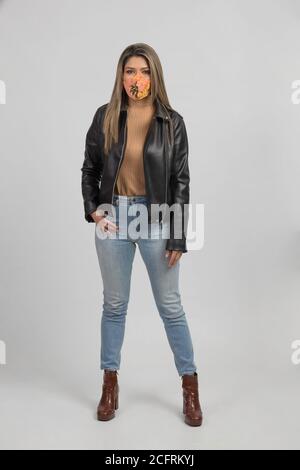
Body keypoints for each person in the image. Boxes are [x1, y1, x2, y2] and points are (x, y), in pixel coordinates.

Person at [81, 43, 203, 426]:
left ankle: (190, 388)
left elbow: (180, 180)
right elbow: (90, 168)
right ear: (121, 76)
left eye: (145, 71)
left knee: (170, 307)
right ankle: (109, 385)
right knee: (114, 306)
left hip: (157, 217)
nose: (137, 78)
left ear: (155, 76)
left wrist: (178, 236)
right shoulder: (105, 116)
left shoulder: (172, 122)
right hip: (113, 216)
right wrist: (93, 209)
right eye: (131, 71)